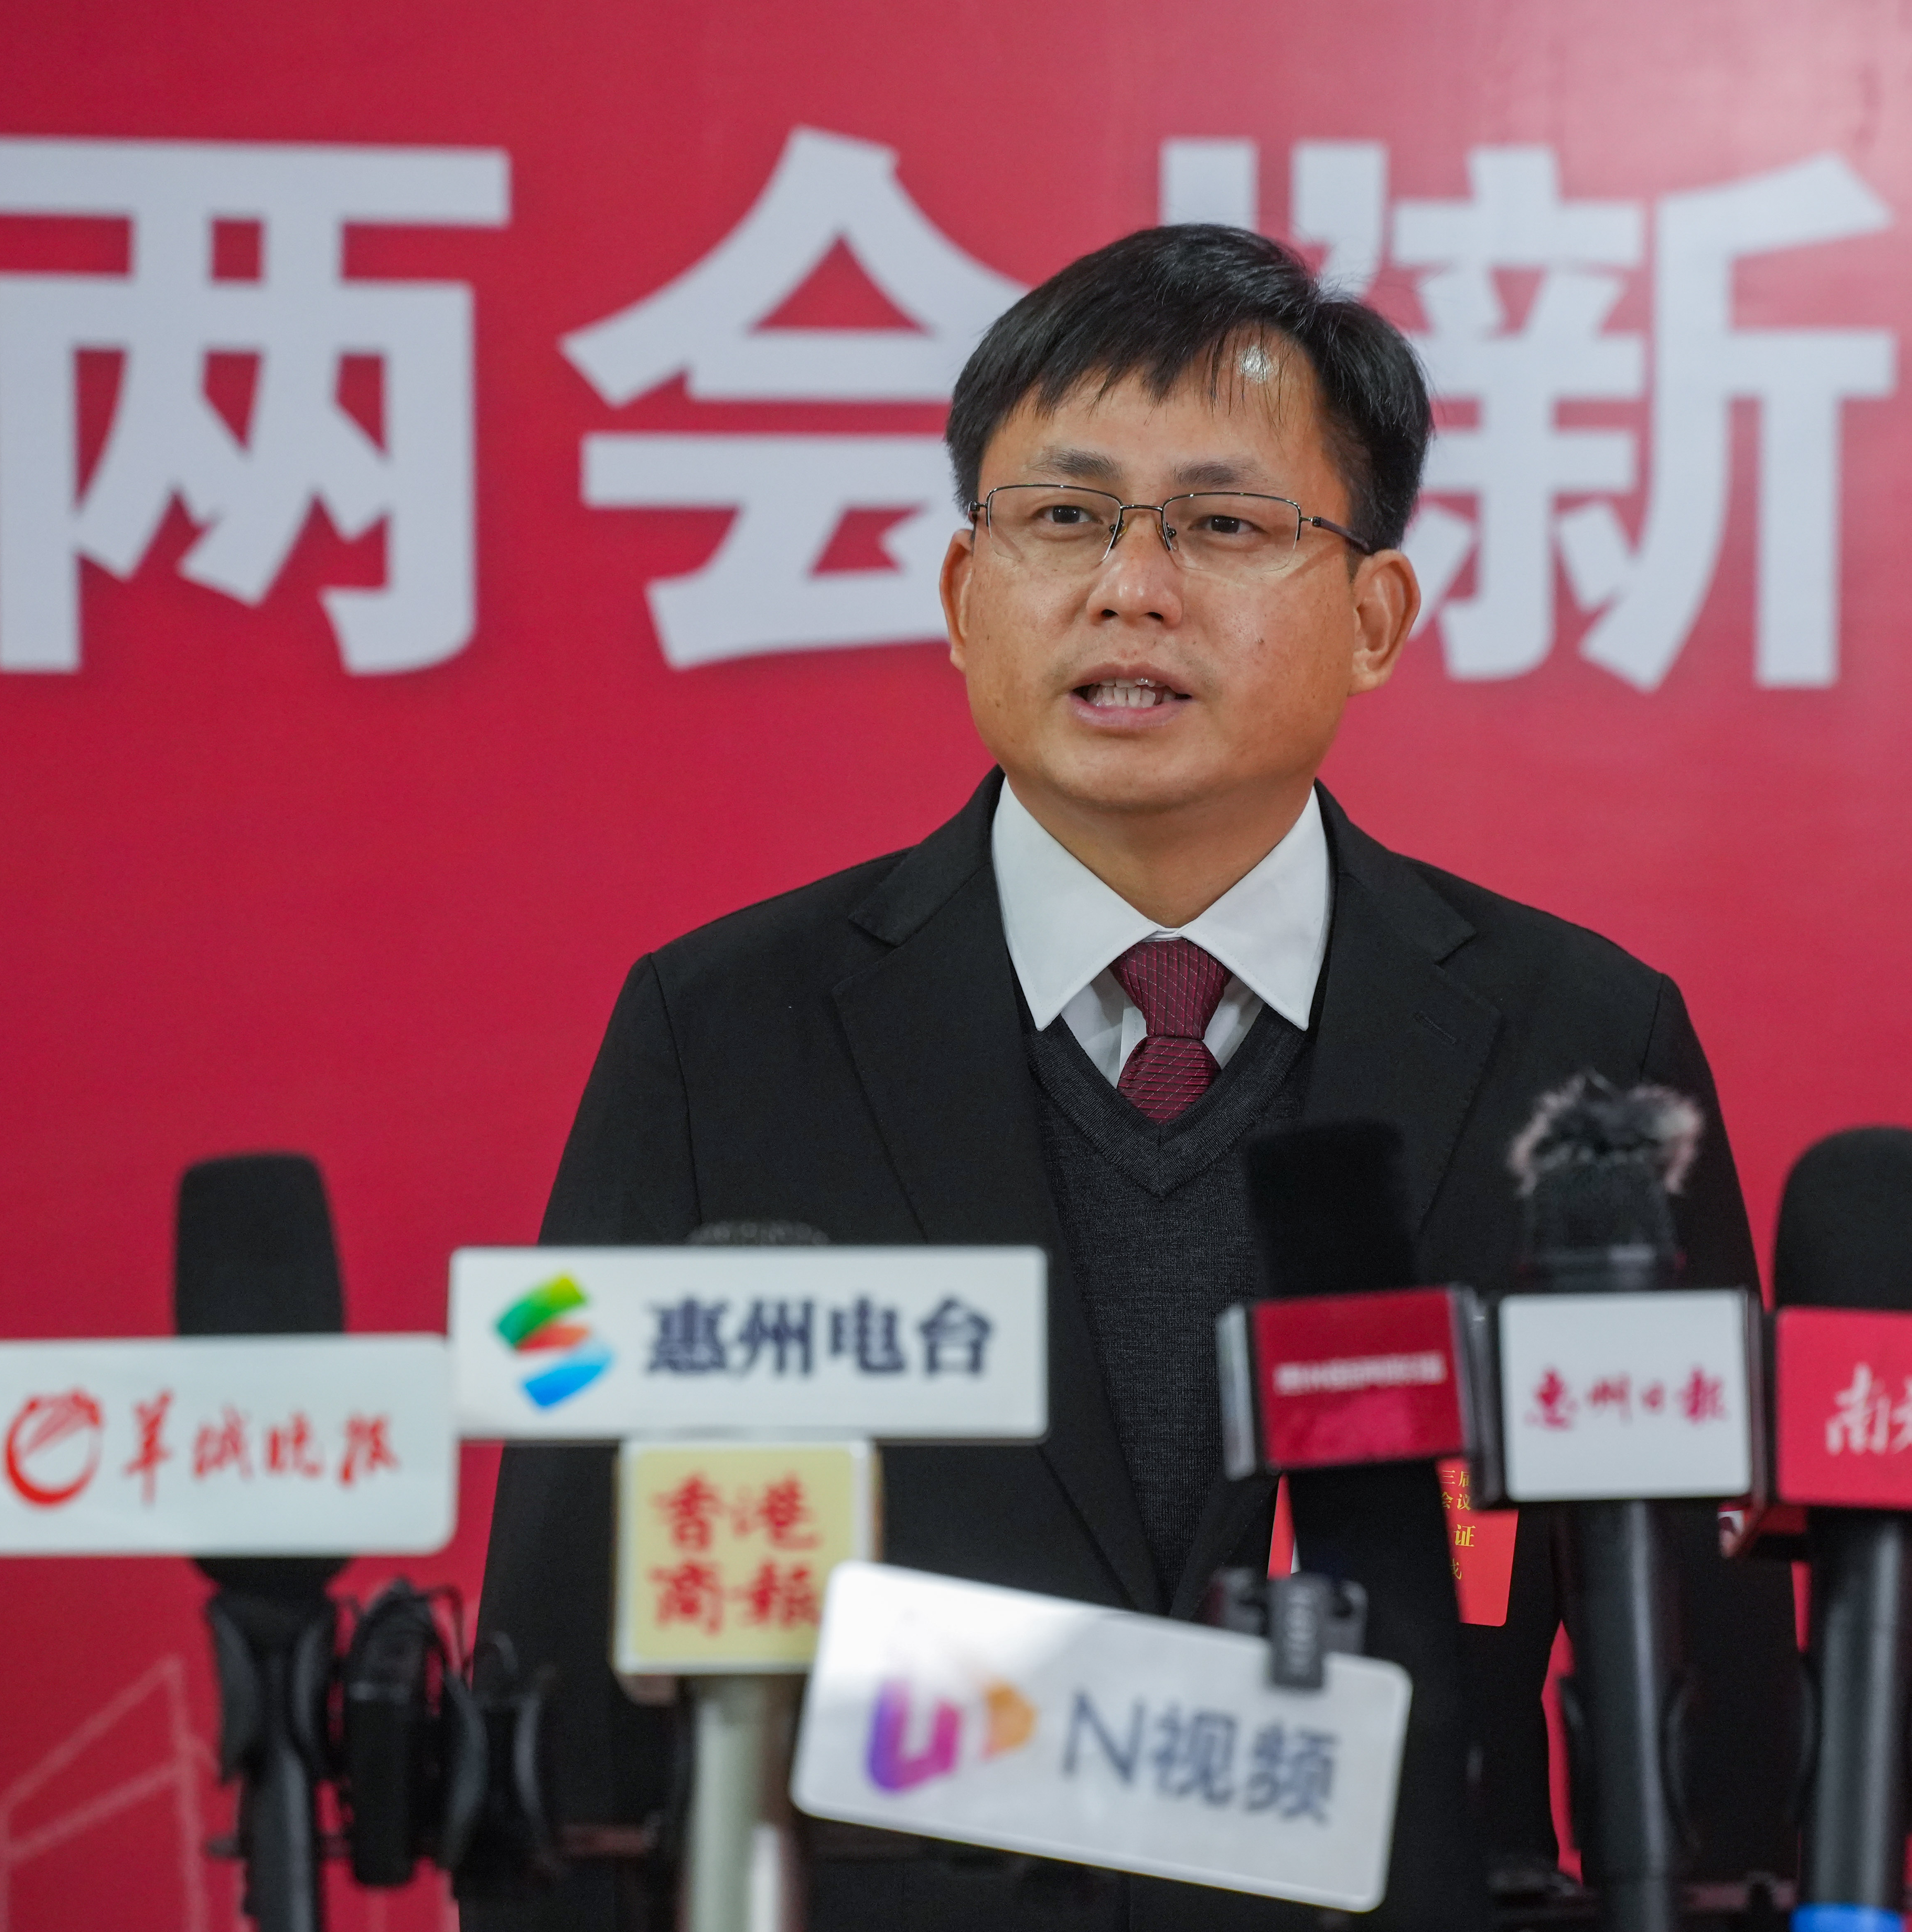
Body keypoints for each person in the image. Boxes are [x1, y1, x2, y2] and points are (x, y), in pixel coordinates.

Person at [474, 225, 1799, 1932]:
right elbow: (566, 1703)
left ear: (1375, 616)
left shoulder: (1579, 1046)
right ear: (965, 595)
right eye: (1064, 517)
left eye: (1224, 526)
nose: (1131, 588)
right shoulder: (720, 1034)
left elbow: (1712, 1718)